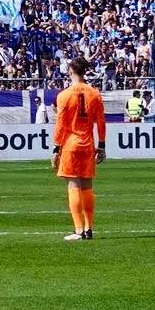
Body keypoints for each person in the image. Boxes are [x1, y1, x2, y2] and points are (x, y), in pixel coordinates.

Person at [52, 57, 106, 241]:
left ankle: (78, 230)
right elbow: (101, 122)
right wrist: (102, 145)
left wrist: (56, 147)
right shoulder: (95, 93)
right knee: (87, 186)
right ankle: (89, 228)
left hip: (70, 143)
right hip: (88, 143)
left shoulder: (64, 95)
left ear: (70, 71)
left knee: (73, 185)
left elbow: (60, 124)